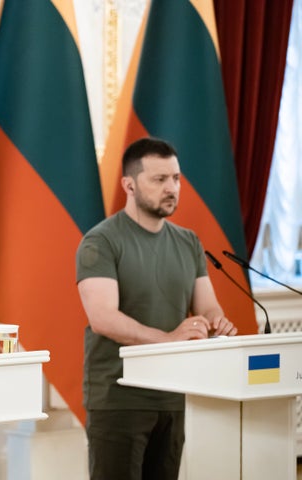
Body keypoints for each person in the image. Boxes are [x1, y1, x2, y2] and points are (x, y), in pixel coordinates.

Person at [75, 137, 238, 480]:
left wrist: (216, 323)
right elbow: (103, 318)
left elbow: (207, 306)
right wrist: (168, 338)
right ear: (129, 185)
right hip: (119, 398)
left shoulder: (189, 241)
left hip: (172, 394)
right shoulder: (100, 241)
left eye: (176, 178)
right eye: (159, 179)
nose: (172, 188)